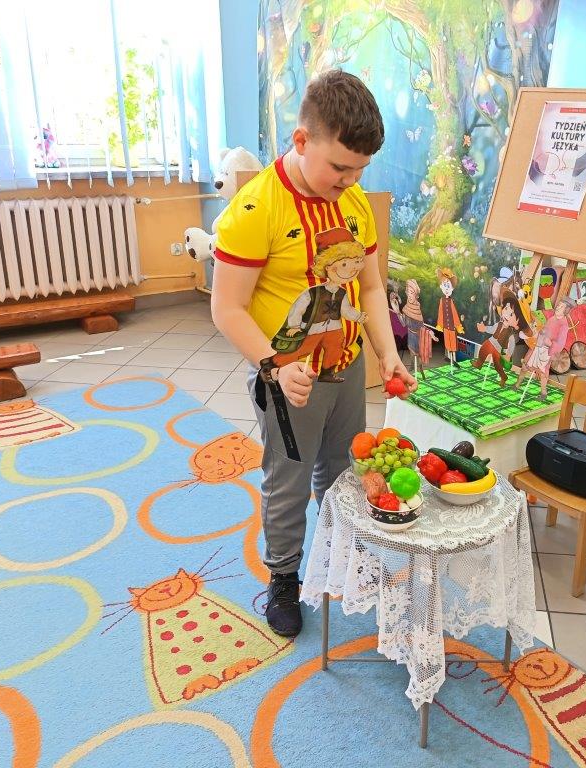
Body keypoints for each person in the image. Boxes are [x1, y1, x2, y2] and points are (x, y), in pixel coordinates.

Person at [210, 70, 415, 638]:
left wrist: (386, 353)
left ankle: (345, 555)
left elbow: (370, 285)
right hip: (286, 379)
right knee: (289, 482)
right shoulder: (255, 210)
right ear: (301, 141)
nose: (350, 182)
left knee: (345, 471)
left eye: (360, 171)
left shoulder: (352, 201)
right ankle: (283, 576)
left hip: (345, 365)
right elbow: (227, 308)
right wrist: (275, 368)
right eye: (340, 168)